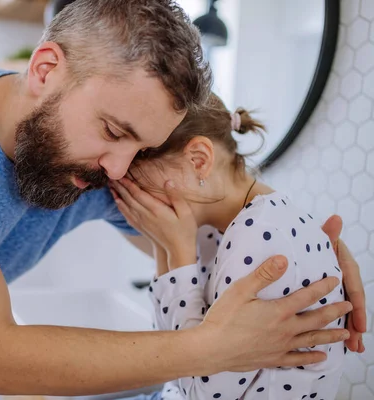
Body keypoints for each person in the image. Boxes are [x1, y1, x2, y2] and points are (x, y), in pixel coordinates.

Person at [0, 1, 364, 399]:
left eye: (140, 147)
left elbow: (218, 209)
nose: (119, 170)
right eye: (112, 131)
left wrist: (315, 250)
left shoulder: (105, 161)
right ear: (46, 69)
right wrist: (210, 347)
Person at [111, 93, 361, 400]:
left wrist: (177, 253)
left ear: (198, 160)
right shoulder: (230, 224)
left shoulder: (257, 236)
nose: (133, 195)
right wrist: (165, 246)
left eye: (134, 181)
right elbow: (173, 357)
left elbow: (199, 392)